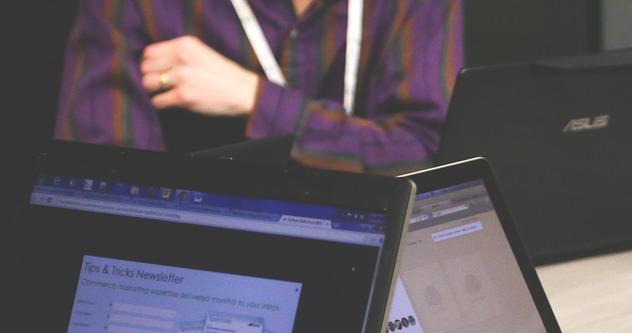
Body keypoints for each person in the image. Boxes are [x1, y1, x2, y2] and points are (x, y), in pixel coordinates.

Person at [54, 0, 462, 174]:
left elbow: (429, 155)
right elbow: (104, 182)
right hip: (207, 270)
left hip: (379, 255)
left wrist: (256, 100)